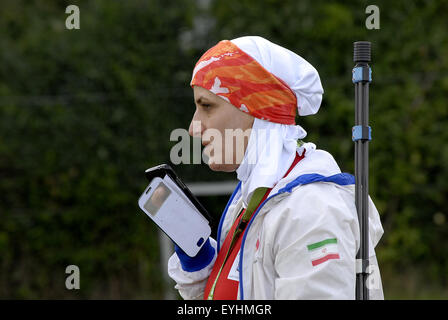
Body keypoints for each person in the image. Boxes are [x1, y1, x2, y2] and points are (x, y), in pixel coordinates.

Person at [167, 36, 384, 300]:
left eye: (207, 106)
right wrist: (200, 266)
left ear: (256, 111)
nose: (193, 128)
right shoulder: (251, 199)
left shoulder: (311, 211)